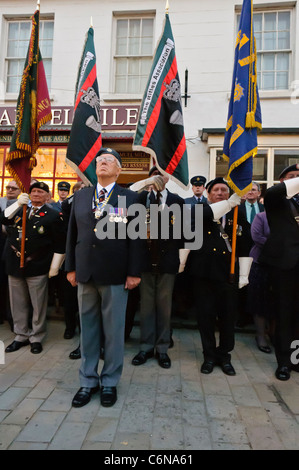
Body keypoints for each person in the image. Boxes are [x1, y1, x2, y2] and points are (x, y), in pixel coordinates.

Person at [66, 147, 144, 408]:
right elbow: (72, 235)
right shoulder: (81, 196)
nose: (103, 163)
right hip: (85, 272)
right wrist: (71, 267)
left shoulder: (130, 197)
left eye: (109, 160)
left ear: (119, 169)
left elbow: (136, 238)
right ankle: (88, 381)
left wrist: (134, 272)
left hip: (115, 274)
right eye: (100, 160)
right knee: (87, 331)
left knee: (113, 331)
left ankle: (109, 381)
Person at [187, 177, 252, 376]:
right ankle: (208, 356)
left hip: (228, 275)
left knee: (227, 318)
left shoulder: (237, 213)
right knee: (205, 318)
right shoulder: (200, 211)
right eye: (216, 190)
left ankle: (224, 356)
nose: (220, 193)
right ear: (208, 194)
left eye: (224, 190)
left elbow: (244, 244)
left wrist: (243, 274)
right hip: (203, 274)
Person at [1, 181, 66, 354]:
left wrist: (55, 266)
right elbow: (3, 219)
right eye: (33, 191)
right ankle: (20, 335)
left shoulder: (53, 215)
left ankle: (36, 336)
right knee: (17, 303)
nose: (36, 194)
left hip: (37, 264)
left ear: (47, 196)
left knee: (38, 304)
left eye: (40, 192)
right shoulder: (19, 209)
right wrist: (17, 203)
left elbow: (60, 243)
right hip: (15, 263)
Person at [131, 166, 185, 369]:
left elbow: (182, 234)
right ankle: (145, 347)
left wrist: (180, 260)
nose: (159, 178)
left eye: (162, 174)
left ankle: (162, 348)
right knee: (146, 307)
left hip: (167, 261)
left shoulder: (177, 201)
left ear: (168, 177)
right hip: (144, 261)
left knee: (164, 307)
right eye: (154, 175)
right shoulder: (139, 199)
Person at [259, 164, 299, 381]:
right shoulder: (277, 200)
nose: (296, 179)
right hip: (284, 265)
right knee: (283, 315)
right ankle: (283, 362)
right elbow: (273, 192)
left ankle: (296, 359)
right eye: (292, 177)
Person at [248, 211, 273, 353]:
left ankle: (274, 333)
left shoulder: (287, 216)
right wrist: (278, 245)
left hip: (282, 264)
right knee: (260, 300)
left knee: (276, 301)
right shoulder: (261, 216)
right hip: (261, 262)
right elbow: (257, 237)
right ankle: (261, 336)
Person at [0, 180, 21, 326]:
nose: (10, 190)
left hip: (15, 252)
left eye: (14, 188)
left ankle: (13, 318)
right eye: (8, 187)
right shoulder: (1, 203)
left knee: (12, 289)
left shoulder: (24, 206)